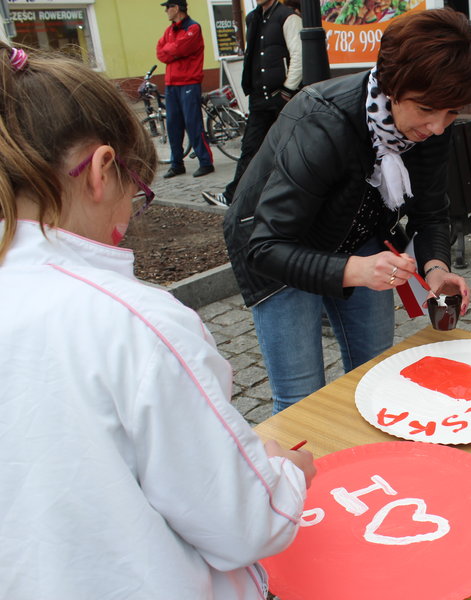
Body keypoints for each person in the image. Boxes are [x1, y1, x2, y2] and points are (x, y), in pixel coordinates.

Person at [0, 43, 315, 598]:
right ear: (101, 170)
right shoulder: (135, 323)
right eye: (136, 192)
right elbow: (245, 524)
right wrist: (293, 473)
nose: (130, 213)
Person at [223, 7, 471, 414]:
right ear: (391, 85)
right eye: (426, 110)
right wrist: (356, 271)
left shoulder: (433, 120)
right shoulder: (323, 121)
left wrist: (435, 269)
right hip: (278, 247)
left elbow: (431, 211)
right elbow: (265, 248)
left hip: (357, 235)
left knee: (376, 375)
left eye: (451, 112)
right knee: (302, 399)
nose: (438, 127)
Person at [202, 0, 303, 208]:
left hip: (280, 98)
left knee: (288, 150)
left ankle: (289, 199)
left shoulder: (288, 17)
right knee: (250, 149)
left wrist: (287, 89)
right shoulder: (253, 18)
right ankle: (233, 197)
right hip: (259, 98)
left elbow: (298, 54)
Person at [156, 0, 215, 178]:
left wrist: (171, 51)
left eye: (168, 7)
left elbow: (179, 49)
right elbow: (160, 52)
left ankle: (205, 162)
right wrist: (171, 51)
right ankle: (177, 164)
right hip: (172, 84)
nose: (166, 11)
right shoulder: (169, 31)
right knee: (173, 125)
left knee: (193, 123)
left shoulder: (193, 28)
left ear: (176, 8)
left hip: (189, 83)